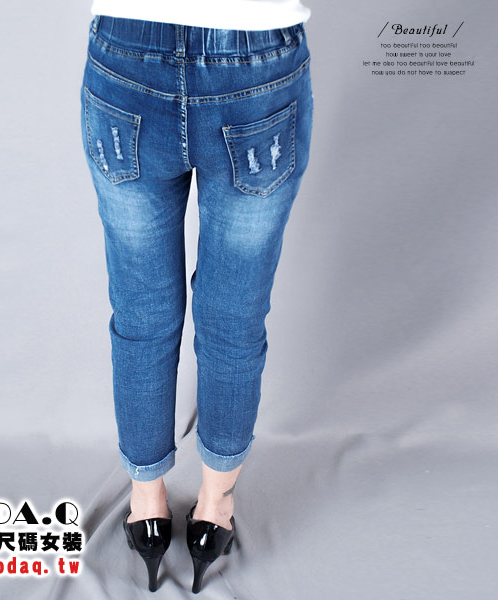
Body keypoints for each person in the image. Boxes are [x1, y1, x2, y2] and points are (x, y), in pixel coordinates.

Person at [79, 0, 314, 592]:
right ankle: (215, 512)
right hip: (256, 59)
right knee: (233, 320)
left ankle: (146, 509)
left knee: (141, 314)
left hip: (127, 51)